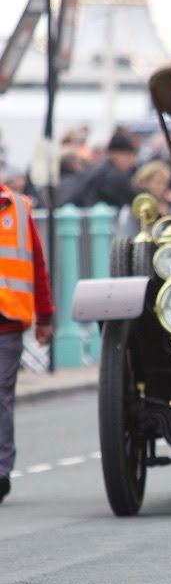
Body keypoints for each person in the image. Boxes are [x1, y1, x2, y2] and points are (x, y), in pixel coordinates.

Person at [0, 179, 53, 503]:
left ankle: (1, 471)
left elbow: (37, 266)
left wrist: (45, 315)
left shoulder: (18, 208)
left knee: (1, 398)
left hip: (6, 324)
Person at [58, 132, 138, 208]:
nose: (131, 161)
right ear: (115, 154)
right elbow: (132, 199)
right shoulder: (111, 175)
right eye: (129, 156)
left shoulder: (97, 169)